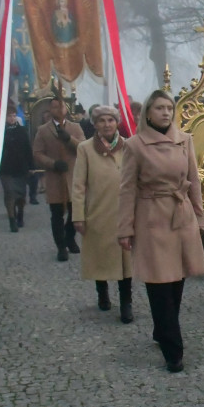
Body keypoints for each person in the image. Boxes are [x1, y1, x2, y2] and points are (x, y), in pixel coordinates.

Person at [117, 90, 204, 373]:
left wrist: (199, 215)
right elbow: (127, 188)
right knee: (159, 284)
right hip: (152, 217)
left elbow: (194, 180)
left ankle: (163, 330)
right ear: (148, 113)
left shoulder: (185, 140)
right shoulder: (135, 145)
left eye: (169, 108)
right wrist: (125, 228)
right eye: (160, 108)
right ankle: (173, 349)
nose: (166, 113)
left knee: (177, 280)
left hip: (181, 217)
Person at [72, 105, 134, 323]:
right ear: (95, 124)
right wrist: (78, 215)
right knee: (100, 255)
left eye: (110, 120)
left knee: (126, 261)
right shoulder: (85, 149)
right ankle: (103, 293)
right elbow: (78, 184)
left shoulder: (129, 146)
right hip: (98, 211)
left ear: (117, 122)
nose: (107, 124)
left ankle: (127, 303)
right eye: (102, 121)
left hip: (124, 212)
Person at [33, 95, 84, 261]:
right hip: (55, 177)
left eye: (61, 107)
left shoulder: (75, 127)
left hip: (73, 176)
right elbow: (38, 153)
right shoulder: (43, 130)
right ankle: (61, 246)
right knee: (56, 214)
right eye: (54, 107)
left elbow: (84, 148)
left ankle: (70, 237)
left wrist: (69, 139)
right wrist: (53, 163)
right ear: (50, 109)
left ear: (66, 109)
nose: (58, 110)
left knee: (75, 212)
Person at [0, 99, 33, 233]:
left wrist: (31, 165)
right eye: (9, 116)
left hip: (20, 167)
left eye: (14, 115)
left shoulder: (22, 130)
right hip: (5, 167)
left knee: (21, 194)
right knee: (9, 193)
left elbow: (27, 148)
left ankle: (20, 213)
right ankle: (11, 219)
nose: (12, 118)